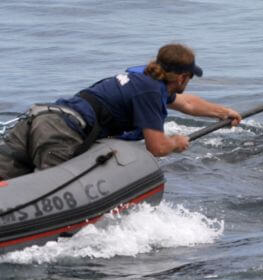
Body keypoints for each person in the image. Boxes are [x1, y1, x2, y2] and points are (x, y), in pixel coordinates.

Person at [0, 43, 241, 181]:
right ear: (181, 77)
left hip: (41, 117)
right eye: (189, 77)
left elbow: (185, 103)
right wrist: (176, 143)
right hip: (60, 133)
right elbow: (156, 147)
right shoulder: (149, 93)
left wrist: (222, 112)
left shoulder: (143, 78)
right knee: (49, 190)